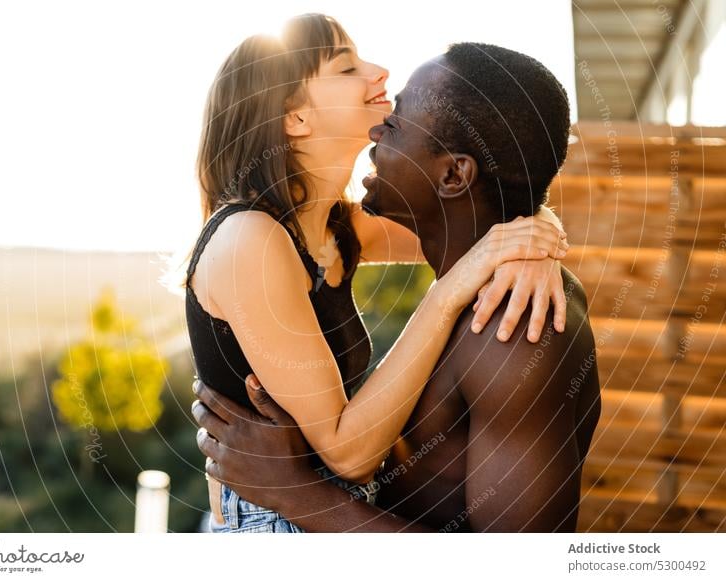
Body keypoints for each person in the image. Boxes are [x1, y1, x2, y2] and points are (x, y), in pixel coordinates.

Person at [192, 42, 602, 532]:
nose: (378, 126)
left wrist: (296, 493)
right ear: (293, 119)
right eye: (346, 67)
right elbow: (494, 198)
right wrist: (531, 234)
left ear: (451, 173)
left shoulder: (517, 329)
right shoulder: (282, 235)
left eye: (396, 123)